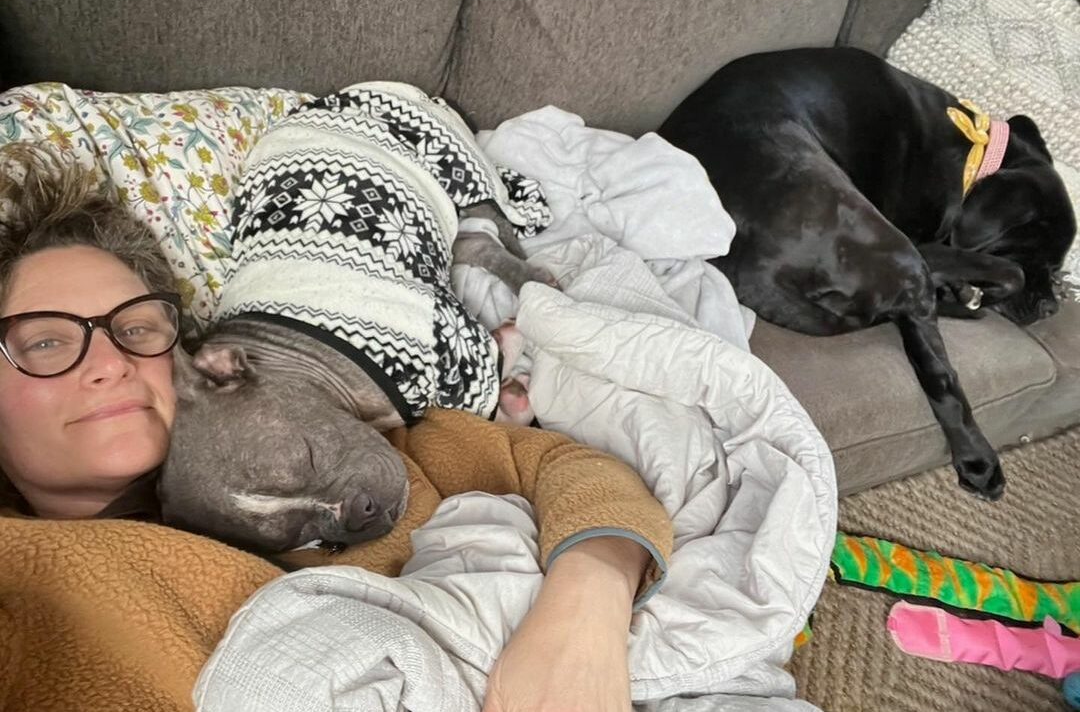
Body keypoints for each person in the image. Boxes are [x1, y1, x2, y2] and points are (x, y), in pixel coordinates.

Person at [0, 141, 671, 712]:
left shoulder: (330, 432)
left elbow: (564, 465)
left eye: (136, 328)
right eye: (47, 342)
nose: (111, 362)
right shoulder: (22, 588)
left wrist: (587, 603)